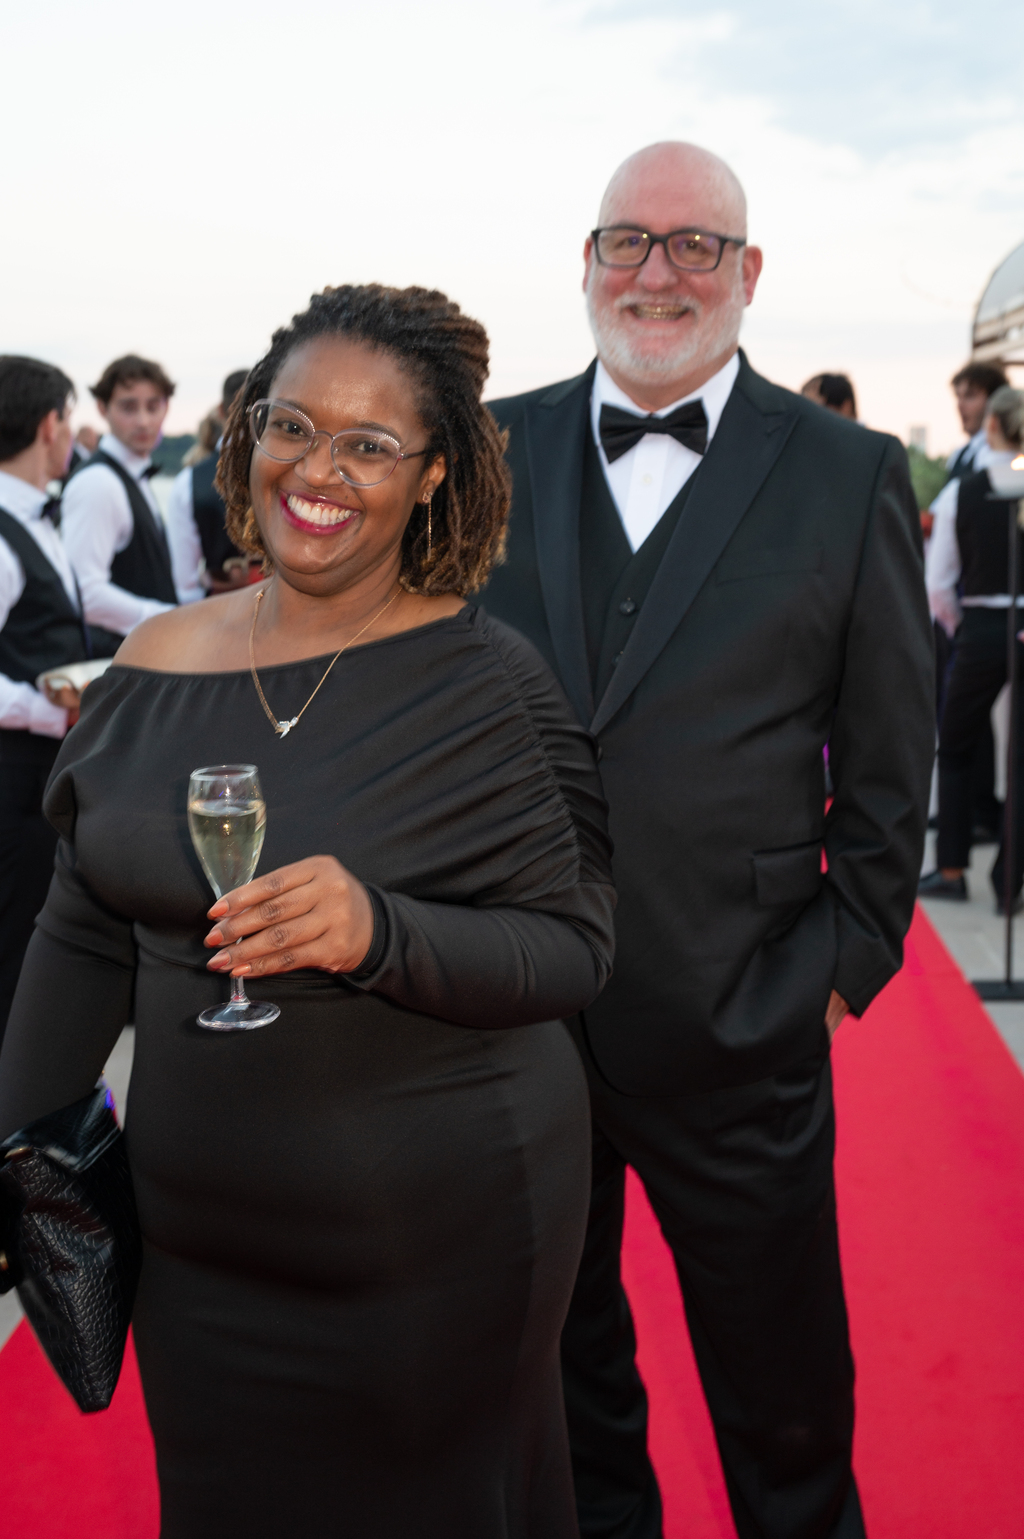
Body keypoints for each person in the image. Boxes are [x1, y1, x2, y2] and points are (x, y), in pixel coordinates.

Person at [0, 283, 616, 1539]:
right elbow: (83, 924)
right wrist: (16, 1151)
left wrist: (380, 932)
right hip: (198, 1249)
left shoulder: (488, 684)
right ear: (247, 435)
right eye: (291, 426)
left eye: (368, 444)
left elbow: (575, 946)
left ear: (433, 476)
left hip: (436, 1241)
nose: (317, 469)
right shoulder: (153, 661)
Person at [480, 141, 934, 1539]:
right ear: (586, 261)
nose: (657, 273)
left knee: (784, 1399)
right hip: (514, 1022)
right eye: (628, 239)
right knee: (560, 1394)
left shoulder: (847, 472)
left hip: (745, 1018)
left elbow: (890, 754)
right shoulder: (484, 449)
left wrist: (841, 965)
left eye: (694, 244)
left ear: (748, 271)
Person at [0, 356, 93, 1048]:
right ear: (48, 425)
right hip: (12, 777)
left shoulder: (37, 515)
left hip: (40, 773)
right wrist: (51, 710)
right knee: (13, 952)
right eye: (68, 417)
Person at [919, 385, 1024, 907]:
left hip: (981, 623)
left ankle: (952, 870)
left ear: (992, 426)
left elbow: (938, 583)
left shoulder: (964, 490)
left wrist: (963, 626)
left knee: (956, 748)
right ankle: (1011, 884)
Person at [62, 354, 178, 643]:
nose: (143, 421)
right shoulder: (98, 483)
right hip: (119, 656)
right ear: (103, 408)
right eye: (129, 407)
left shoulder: (130, 474)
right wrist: (170, 619)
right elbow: (85, 592)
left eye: (153, 406)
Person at [166, 368, 256, 600]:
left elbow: (186, 586)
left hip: (220, 609)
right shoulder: (294, 469)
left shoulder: (188, 482)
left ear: (220, 411)